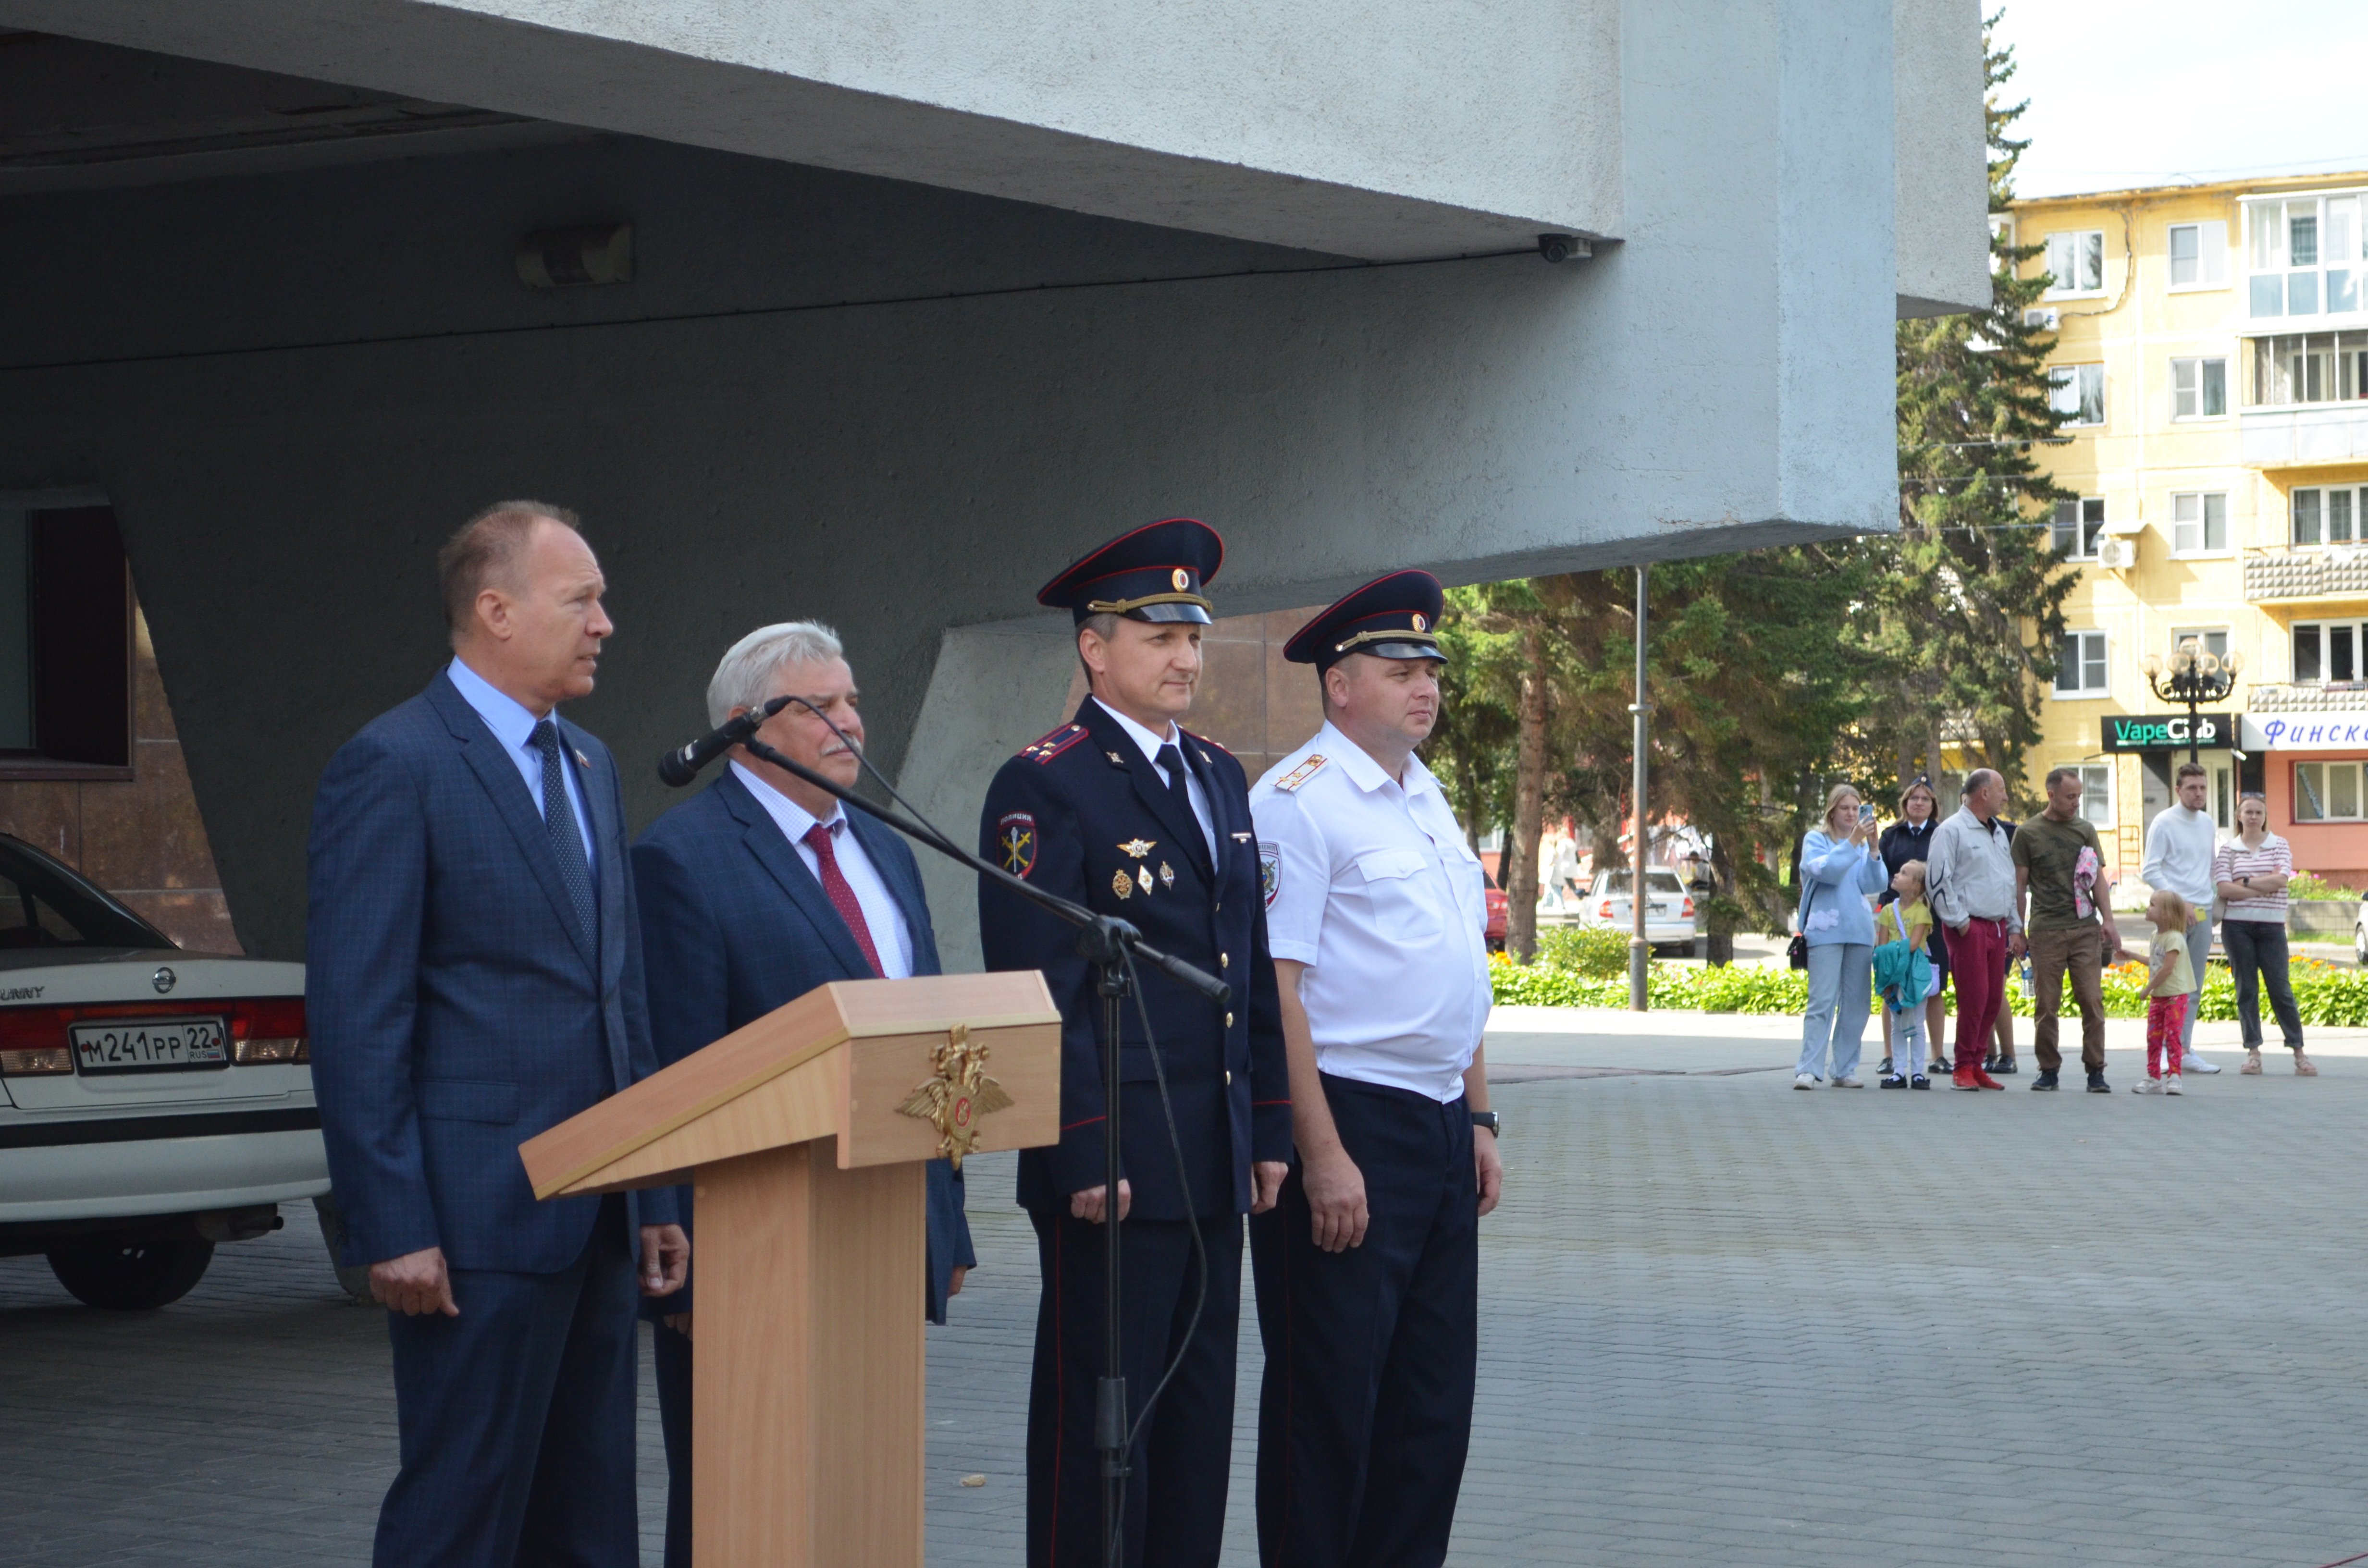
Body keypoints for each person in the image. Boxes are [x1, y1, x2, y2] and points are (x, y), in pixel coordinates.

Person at [307, 502, 686, 1568]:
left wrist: (654, 1190)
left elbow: (624, 999)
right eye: (583, 599)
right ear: (496, 610)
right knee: (461, 1519)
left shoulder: (593, 765)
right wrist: (391, 1224)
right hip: (471, 1229)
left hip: (599, 1215)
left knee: (589, 1519)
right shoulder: (394, 765)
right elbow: (356, 1018)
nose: (607, 621)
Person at [976, 518, 1291, 1568]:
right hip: (1112, 1165)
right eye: (1158, 636)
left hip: (1208, 1161)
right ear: (1094, 647)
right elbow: (1038, 984)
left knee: (1196, 1431)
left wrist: (1269, 1131)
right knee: (1096, 1433)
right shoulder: (1047, 782)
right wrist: (1080, 1146)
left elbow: (1243, 969)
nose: (1187, 658)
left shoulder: (1216, 774)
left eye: (1193, 636)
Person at [631, 621, 976, 1568]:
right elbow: (675, 1070)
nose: (849, 722)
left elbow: (931, 1043)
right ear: (745, 728)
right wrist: (678, 1245)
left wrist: (946, 1217)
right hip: (747, 1254)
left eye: (852, 699)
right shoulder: (683, 857)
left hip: (878, 1229)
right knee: (736, 1512)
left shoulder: (884, 848)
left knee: (854, 1503)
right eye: (818, 706)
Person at [1247, 571, 1503, 1568]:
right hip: (1350, 1122)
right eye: (1399, 671)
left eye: (1429, 670)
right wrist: (1320, 1153)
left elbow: (1459, 970)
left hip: (1438, 1124)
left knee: (1429, 1408)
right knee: (1330, 1408)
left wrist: (1478, 1123)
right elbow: (1280, 994)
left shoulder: (1425, 795)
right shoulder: (1298, 804)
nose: (1423, 688)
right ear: (1338, 686)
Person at [2011, 767, 2126, 1093]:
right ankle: (2048, 1069)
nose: (2077, 802)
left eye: (2079, 796)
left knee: (2092, 1000)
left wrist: (2109, 921)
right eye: (2070, 797)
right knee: (2047, 1004)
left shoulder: (2085, 830)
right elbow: (2019, 886)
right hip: (2046, 929)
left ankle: (2096, 1071)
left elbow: (2098, 880)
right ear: (2051, 795)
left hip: (2084, 930)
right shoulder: (2028, 833)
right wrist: (2016, 930)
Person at [1924, 768, 2021, 1091]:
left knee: (1993, 999)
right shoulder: (1952, 831)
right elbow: (1937, 881)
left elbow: (2007, 881)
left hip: (1997, 927)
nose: (2006, 797)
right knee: (1975, 999)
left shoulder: (1997, 832)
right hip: (1970, 928)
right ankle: (1962, 1066)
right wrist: (1960, 922)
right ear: (1984, 794)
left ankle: (1978, 1064)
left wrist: (2015, 927)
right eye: (2002, 790)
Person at [2214, 793, 2317, 1077]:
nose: (2254, 817)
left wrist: (2244, 882)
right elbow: (2224, 889)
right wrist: (2263, 885)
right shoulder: (2228, 850)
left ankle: (2299, 1053)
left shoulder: (2279, 844)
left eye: (2259, 812)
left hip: (2271, 927)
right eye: (2248, 812)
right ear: (2239, 816)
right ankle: (2253, 1054)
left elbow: (2282, 879)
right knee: (2246, 990)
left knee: (2281, 990)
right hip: (2236, 927)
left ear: (2265, 816)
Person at [1793, 784, 1888, 1090]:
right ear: (1832, 811)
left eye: (1856, 808)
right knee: (1822, 1002)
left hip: (1860, 932)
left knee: (1857, 1005)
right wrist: (1855, 840)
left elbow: (1875, 885)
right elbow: (1827, 871)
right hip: (1825, 931)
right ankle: (1808, 1069)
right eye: (1845, 808)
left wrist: (1873, 850)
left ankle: (1845, 1068)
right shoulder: (1816, 840)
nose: (1851, 814)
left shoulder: (1862, 846)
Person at [2140, 761, 2225, 1074]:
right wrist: (2180, 902)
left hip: (2202, 914)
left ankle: (2184, 1049)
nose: (2198, 793)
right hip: (2174, 916)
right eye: (2191, 788)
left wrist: (2218, 899)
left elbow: (2212, 868)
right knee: (2166, 985)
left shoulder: (2207, 823)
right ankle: (2163, 1051)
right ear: (2178, 790)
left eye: (2203, 787)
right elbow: (2151, 868)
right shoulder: (2164, 822)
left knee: (2192, 986)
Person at [1876, 778, 1951, 1077]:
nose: (1918, 803)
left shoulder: (1942, 834)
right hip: (1895, 918)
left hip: (1933, 920)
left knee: (1932, 987)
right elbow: (1881, 875)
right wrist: (1882, 912)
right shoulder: (1892, 835)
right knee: (1892, 983)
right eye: (1913, 798)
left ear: (1933, 806)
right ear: (1905, 803)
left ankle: (1938, 1055)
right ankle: (1889, 1055)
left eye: (1925, 799)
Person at [1875, 860, 1935, 1089]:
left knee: (1917, 1023)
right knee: (1896, 1022)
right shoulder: (1889, 910)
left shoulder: (1922, 912)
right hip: (1893, 974)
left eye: (1904, 873)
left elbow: (1914, 945)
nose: (1897, 875)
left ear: (1916, 886)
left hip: (1913, 975)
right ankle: (1899, 1070)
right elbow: (1881, 946)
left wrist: (1890, 951)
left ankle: (1918, 1071)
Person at [2134, 889, 2196, 1096]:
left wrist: (2147, 989)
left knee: (2172, 1036)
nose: (2148, 907)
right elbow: (2155, 962)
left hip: (2175, 996)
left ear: (2166, 914)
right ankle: (2153, 1076)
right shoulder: (2156, 936)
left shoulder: (2175, 938)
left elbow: (2167, 969)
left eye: (2153, 905)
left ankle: (2175, 1076)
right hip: (2159, 996)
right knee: (2153, 1037)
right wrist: (2131, 955)